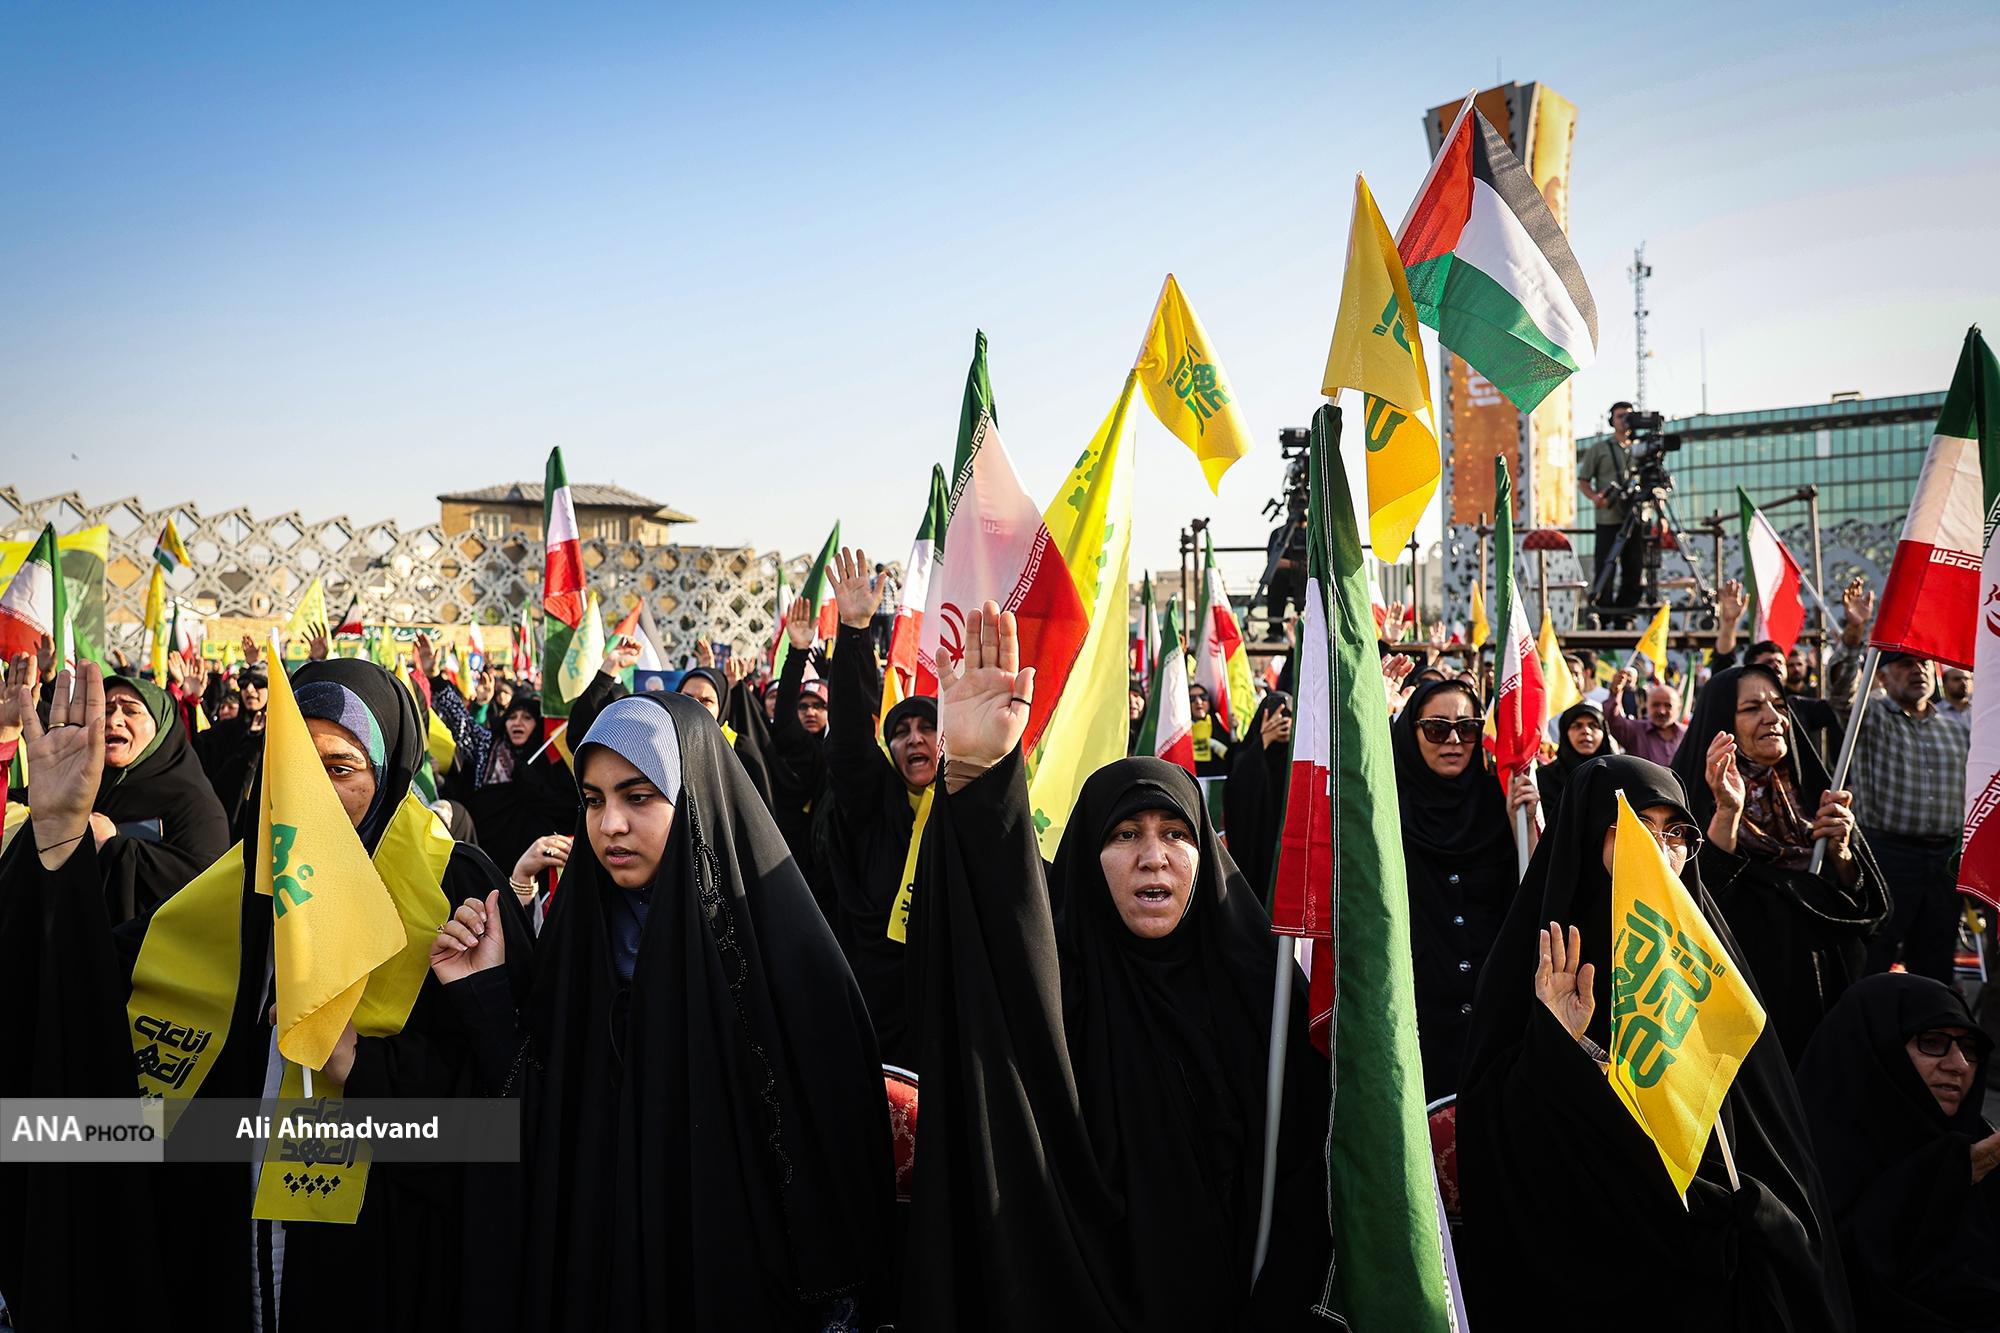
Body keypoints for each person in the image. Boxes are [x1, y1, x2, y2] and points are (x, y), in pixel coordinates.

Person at [0, 657, 528, 1332]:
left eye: (339, 769)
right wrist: (59, 838)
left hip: (388, 1274)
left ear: (388, 774)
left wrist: (365, 1067)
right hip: (226, 1272)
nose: (311, 795)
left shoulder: (457, 894)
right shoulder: (231, 892)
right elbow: (72, 1012)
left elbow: (510, 1106)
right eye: (294, 766)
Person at [903, 602, 1331, 1330]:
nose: (1153, 856)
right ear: (1088, 855)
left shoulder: (1263, 994)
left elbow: (1310, 1175)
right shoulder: (1064, 987)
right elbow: (994, 940)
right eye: (1125, 834)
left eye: (1175, 834)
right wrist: (977, 777)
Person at [431, 690, 895, 1329]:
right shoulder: (580, 945)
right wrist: (482, 992)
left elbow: (834, 1172)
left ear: (694, 799)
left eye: (639, 797)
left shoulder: (784, 961)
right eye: (593, 800)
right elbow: (539, 1125)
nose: (610, 825)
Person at [1456, 754, 1853, 1331]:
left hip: (1712, 1261)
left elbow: (1764, 1129)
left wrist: (1747, 1212)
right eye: (1637, 826)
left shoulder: (1708, 953)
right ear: (1588, 834)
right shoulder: (1540, 958)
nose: (1660, 848)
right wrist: (1561, 1045)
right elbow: (1498, 1142)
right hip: (1595, 1260)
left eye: (1677, 832)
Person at [1671, 664, 1891, 1062]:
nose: (1773, 718)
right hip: (1754, 1001)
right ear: (1723, 723)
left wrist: (1841, 853)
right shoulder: (1692, 801)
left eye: (1779, 705)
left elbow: (1868, 907)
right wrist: (1728, 812)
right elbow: (1699, 902)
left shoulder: (1814, 793)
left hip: (1831, 995)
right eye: (1752, 708)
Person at [1794, 974, 2000, 1330]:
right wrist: (1942, 1176)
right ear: (1876, 1048)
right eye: (1932, 1043)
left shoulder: (1979, 1146)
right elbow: (1835, 1273)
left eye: (1969, 1048)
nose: (1959, 1064)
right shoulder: (1801, 1160)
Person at [813, 547, 934, 1064]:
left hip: (946, 999)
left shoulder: (965, 805)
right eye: (901, 732)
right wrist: (855, 633)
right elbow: (848, 741)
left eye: (927, 728)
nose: (914, 739)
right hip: (875, 999)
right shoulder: (874, 801)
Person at [1393, 679, 1533, 1105]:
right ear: (1411, 734)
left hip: (1493, 1014)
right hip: (1417, 1013)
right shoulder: (1387, 809)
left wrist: (1523, 825)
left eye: (1467, 728)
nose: (1453, 741)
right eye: (1437, 728)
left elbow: (1533, 896)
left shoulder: (1501, 803)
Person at [1830, 579, 1970, 982]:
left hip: (1944, 861)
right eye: (1905, 664)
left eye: (1923, 663)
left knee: (1936, 965)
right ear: (1883, 678)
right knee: (1873, 960)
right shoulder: (1870, 717)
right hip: (1887, 855)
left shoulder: (1955, 728)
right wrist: (1854, 632)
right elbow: (1841, 691)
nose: (1917, 670)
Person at [85, 669, 232, 922]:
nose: (114, 720)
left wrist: (114, 845)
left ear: (161, 727)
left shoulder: (195, 803)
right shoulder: (87, 786)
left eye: (131, 711)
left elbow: (206, 891)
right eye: (107, 711)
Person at [762, 596, 832, 874]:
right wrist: (798, 651)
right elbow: (784, 710)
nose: (810, 712)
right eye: (803, 706)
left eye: (819, 706)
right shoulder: (798, 746)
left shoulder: (838, 750)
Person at [193, 640, 272, 839]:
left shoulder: (282, 734)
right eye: (244, 684)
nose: (250, 690)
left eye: (259, 684)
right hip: (230, 830)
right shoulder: (226, 731)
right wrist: (189, 701)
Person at [1222, 691, 1291, 907]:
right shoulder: (1247, 756)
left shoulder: (1297, 758)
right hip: (1256, 858)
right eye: (1274, 716)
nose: (1281, 723)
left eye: (1287, 716)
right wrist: (1263, 741)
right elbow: (1237, 795)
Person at [1580, 401, 1641, 611]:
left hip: (1635, 517)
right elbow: (1583, 481)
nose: (1624, 421)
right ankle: (1603, 613)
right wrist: (1596, 497)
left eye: (1628, 416)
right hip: (1608, 517)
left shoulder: (1642, 448)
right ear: (1611, 421)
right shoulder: (1599, 449)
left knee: (1634, 568)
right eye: (1619, 416)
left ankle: (1626, 614)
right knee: (1605, 567)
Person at [1535, 699, 1613, 827]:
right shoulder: (1546, 778)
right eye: (1577, 726)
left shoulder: (1616, 775)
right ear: (1565, 732)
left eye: (1593, 725)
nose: (1586, 731)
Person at [1603, 668, 1687, 765]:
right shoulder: (1635, 731)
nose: (1661, 711)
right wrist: (1615, 692)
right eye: (1656, 705)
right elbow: (1612, 719)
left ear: (1678, 708)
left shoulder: (1687, 735)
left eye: (1668, 706)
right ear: (1647, 706)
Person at [1187, 683, 1229, 777]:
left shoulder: (1221, 727)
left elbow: (1233, 757)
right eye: (1192, 698)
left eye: (1203, 697)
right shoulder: (1179, 732)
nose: (1198, 701)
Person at [1941, 666, 1974, 730]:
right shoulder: (1935, 712)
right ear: (1944, 683)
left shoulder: (1981, 709)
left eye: (1966, 678)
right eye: (1957, 679)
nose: (1964, 683)